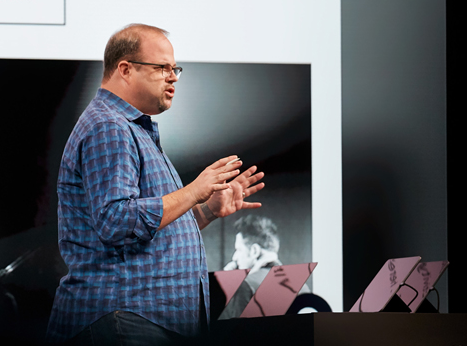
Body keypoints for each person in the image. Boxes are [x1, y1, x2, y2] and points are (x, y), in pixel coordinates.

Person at [46, 24, 266, 345]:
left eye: (174, 68)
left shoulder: (129, 128)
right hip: (125, 317)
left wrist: (205, 210)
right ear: (125, 69)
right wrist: (193, 190)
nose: (173, 76)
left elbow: (144, 233)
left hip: (139, 319)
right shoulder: (110, 127)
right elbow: (116, 221)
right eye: (162, 67)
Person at [218, 215, 309, 319]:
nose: (235, 257)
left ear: (254, 251)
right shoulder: (302, 286)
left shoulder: (245, 286)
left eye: (239, 250)